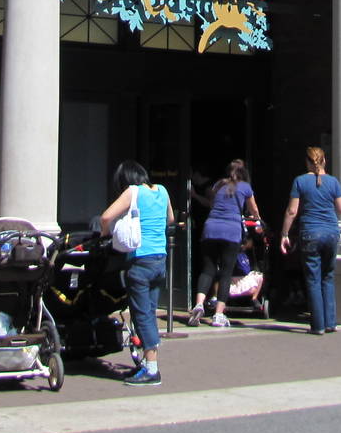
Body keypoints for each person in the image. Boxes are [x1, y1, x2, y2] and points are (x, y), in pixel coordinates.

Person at [100, 160, 175, 386]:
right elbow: (170, 219)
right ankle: (146, 363)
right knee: (149, 312)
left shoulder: (133, 192)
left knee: (141, 314)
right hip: (160, 259)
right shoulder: (162, 190)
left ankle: (151, 368)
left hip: (140, 260)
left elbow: (106, 217)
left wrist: (105, 235)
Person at [279, 145, 341, 334]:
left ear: (307, 162)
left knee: (313, 278)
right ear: (324, 161)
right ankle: (330, 322)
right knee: (328, 276)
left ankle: (317, 325)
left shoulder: (300, 181)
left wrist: (284, 234)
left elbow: (292, 211)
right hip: (331, 233)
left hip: (310, 232)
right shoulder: (333, 182)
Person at [189, 159, 261, 328]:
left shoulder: (219, 185)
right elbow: (254, 209)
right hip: (231, 231)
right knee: (226, 273)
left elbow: (212, 203)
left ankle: (199, 304)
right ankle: (219, 314)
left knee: (208, 269)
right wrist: (257, 220)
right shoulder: (245, 187)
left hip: (211, 228)